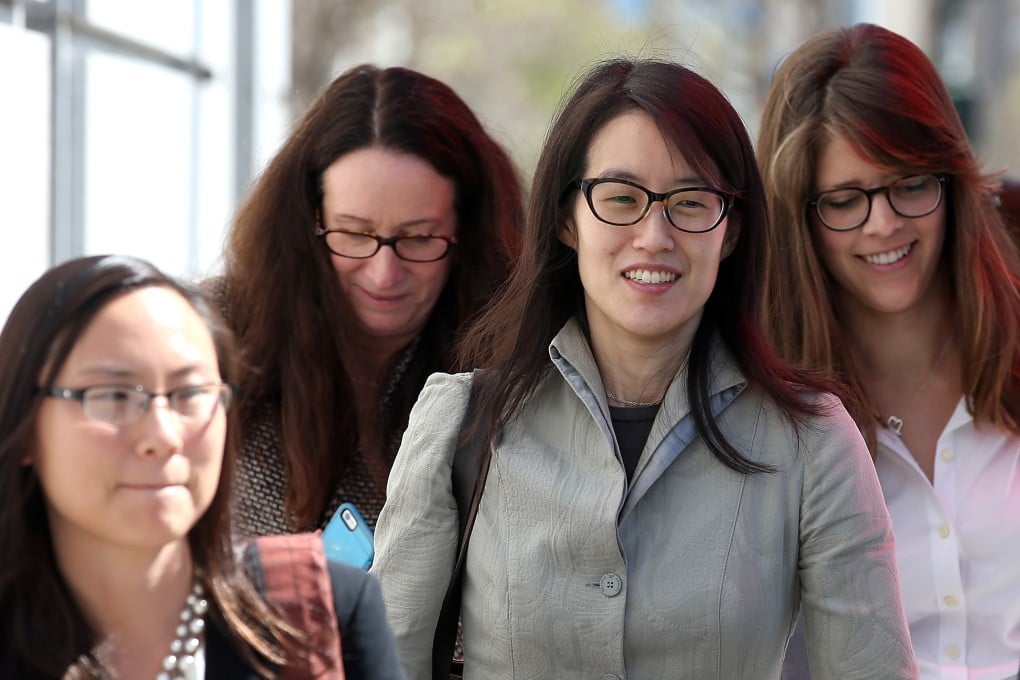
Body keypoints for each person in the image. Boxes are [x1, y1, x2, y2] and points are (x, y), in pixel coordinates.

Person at [370, 58, 918, 679]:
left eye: (690, 202)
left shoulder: (814, 442)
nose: (654, 235)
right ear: (565, 219)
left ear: (730, 229)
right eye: (621, 198)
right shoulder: (461, 424)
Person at [757, 23, 1020, 679]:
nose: (884, 224)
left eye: (908, 184)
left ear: (951, 178)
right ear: (800, 217)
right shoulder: (764, 417)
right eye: (845, 200)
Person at [0, 254, 405, 679]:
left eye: (190, 393)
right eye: (114, 396)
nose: (163, 435)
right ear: (24, 424)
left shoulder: (318, 614)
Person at [215, 63, 523, 537]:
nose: (384, 274)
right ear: (308, 220)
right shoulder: (213, 338)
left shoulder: (514, 366)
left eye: (419, 238)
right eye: (354, 234)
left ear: (467, 231)